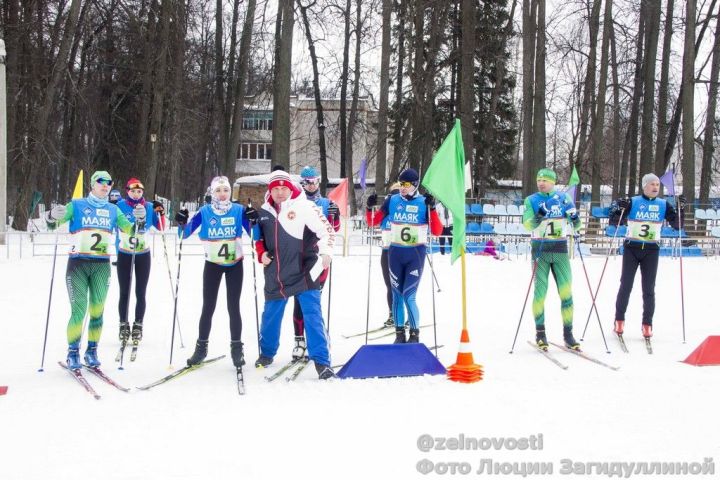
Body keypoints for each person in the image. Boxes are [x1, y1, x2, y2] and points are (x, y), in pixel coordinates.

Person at [46, 171, 143, 370]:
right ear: (92, 184)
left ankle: (92, 351)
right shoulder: (77, 205)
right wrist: (50, 216)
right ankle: (73, 352)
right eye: (101, 182)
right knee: (79, 310)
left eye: (109, 182)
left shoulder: (113, 210)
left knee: (97, 310)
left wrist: (139, 220)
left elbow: (131, 230)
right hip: (78, 264)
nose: (105, 185)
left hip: (101, 266)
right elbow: (52, 225)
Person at [250, 169, 337, 379]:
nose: (280, 192)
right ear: (270, 189)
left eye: (283, 188)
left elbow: (328, 231)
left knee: (312, 315)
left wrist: (326, 252)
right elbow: (259, 240)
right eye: (276, 188)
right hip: (276, 272)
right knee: (270, 315)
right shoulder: (263, 211)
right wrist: (261, 254)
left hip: (304, 269)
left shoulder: (305, 206)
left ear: (290, 188)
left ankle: (322, 362)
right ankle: (267, 353)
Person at [175, 176, 251, 368]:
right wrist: (181, 222)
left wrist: (254, 219)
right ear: (212, 193)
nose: (223, 194)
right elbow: (184, 234)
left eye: (225, 190)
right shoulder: (205, 211)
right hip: (213, 265)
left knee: (233, 306)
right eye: (218, 190)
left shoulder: (238, 210)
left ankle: (236, 347)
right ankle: (201, 348)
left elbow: (254, 234)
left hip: (235, 264)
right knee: (208, 306)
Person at [366, 168, 443, 344]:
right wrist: (369, 207)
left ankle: (414, 335)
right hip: (395, 255)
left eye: (406, 184)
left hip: (415, 255)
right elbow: (372, 222)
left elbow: (438, 231)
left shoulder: (424, 202)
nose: (402, 188)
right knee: (397, 295)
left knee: (409, 295)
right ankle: (399, 335)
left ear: (415, 185)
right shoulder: (392, 200)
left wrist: (431, 209)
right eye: (401, 184)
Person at [610, 173, 682, 338]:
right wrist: (618, 208)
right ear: (644, 186)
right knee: (626, 285)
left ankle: (647, 324)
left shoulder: (663, 204)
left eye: (657, 184)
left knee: (648, 289)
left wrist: (681, 209)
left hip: (651, 250)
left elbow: (678, 225)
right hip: (632, 249)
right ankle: (619, 320)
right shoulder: (634, 202)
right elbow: (615, 221)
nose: (655, 187)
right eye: (652, 184)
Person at [522, 168, 582, 350]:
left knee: (566, 294)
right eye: (539, 179)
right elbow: (527, 225)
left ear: (553, 182)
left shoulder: (565, 198)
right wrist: (540, 214)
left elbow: (577, 225)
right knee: (540, 293)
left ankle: (568, 335)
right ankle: (540, 334)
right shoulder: (531, 200)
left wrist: (575, 217)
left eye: (545, 180)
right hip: (540, 250)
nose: (541, 183)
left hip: (560, 250)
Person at [290, 166, 342, 359]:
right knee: (298, 299)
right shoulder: (295, 202)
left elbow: (334, 229)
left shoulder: (326, 202)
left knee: (314, 301)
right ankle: (298, 340)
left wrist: (335, 216)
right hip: (298, 258)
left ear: (318, 182)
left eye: (313, 181)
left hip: (320, 259)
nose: (310, 185)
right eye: (306, 182)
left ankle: (317, 339)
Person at [114, 178, 166, 343]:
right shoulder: (120, 206)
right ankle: (123, 324)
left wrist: (161, 213)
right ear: (127, 191)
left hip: (143, 254)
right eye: (133, 191)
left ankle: (138, 325)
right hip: (124, 253)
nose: (136, 194)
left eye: (139, 191)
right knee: (124, 292)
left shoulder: (149, 207)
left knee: (140, 292)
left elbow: (161, 227)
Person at [379, 182, 401, 328]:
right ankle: (392, 314)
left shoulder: (402, 212)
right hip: (386, 252)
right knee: (390, 286)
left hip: (402, 252)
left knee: (402, 287)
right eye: (392, 194)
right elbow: (372, 221)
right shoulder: (385, 213)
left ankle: (403, 315)